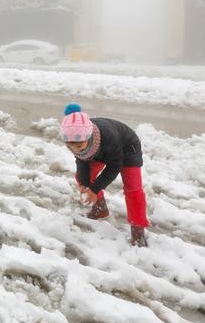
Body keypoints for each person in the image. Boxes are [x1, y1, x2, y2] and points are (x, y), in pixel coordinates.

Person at [59, 103, 149, 247]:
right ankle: (100, 209)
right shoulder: (76, 140)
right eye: (70, 146)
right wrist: (85, 184)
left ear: (88, 137)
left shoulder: (108, 136)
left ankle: (138, 231)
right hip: (100, 152)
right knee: (82, 178)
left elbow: (114, 166)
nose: (74, 149)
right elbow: (81, 160)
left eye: (78, 146)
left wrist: (94, 190)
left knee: (133, 190)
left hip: (127, 148)